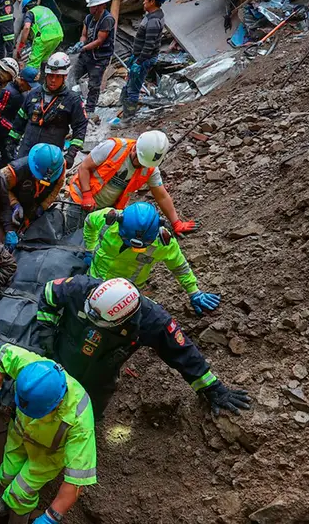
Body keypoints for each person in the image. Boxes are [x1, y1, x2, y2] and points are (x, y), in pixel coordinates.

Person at [35, 275, 251, 420]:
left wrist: (213, 388)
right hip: (61, 350)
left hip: (101, 371)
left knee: (89, 407)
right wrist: (45, 337)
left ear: (124, 319)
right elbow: (49, 293)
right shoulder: (81, 288)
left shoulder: (153, 322)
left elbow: (182, 352)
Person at [0, 343, 97, 523]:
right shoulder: (31, 370)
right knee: (5, 476)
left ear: (57, 404)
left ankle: (19, 511)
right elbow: (3, 355)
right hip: (19, 435)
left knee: (21, 492)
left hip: (46, 455)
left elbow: (76, 481)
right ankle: (7, 495)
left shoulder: (79, 418)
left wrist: (51, 517)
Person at [84, 201, 220, 314]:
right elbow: (89, 222)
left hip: (126, 294)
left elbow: (179, 267)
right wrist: (89, 249)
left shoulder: (163, 243)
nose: (134, 249)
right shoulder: (107, 219)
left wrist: (193, 291)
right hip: (93, 280)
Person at [67, 130, 199, 235]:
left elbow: (162, 196)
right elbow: (84, 167)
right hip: (80, 199)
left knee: (93, 242)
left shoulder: (150, 168)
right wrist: (87, 194)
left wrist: (176, 223)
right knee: (71, 236)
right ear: (135, 149)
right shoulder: (113, 147)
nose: (142, 166)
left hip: (106, 210)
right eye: (140, 162)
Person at [8, 52, 87, 166]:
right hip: (26, 153)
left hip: (49, 157)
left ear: (65, 76)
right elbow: (20, 121)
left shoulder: (72, 100)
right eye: (50, 75)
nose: (53, 80)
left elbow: (80, 127)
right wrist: (11, 144)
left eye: (57, 76)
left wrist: (71, 154)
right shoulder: (33, 94)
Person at [118, 0, 169, 124]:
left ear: (153, 1)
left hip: (145, 58)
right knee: (130, 84)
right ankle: (124, 109)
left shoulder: (154, 21)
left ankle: (127, 120)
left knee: (133, 89)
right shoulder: (152, 15)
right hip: (141, 56)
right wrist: (134, 56)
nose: (143, 2)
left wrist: (139, 62)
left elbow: (149, 45)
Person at [67, 0, 115, 118]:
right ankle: (69, 101)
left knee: (94, 85)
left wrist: (83, 48)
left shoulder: (107, 20)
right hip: (86, 55)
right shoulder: (89, 18)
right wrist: (80, 43)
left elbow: (99, 41)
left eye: (93, 6)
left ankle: (89, 110)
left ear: (101, 6)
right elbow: (84, 35)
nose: (90, 8)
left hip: (100, 57)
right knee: (73, 75)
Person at [1, 143, 66, 239]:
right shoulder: (15, 171)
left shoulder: (59, 170)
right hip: (12, 205)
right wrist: (14, 204)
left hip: (34, 205)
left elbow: (56, 189)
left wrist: (43, 206)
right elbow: (1, 189)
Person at [0, 66, 39, 167]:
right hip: (2, 132)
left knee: (7, 158)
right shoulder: (8, 92)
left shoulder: (23, 93)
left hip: (13, 132)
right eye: (28, 85)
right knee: (8, 158)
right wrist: (13, 129)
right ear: (21, 80)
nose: (29, 88)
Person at [17, 0, 63, 69]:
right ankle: (43, 74)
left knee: (33, 63)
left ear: (27, 8)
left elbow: (26, 27)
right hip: (58, 36)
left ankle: (30, 74)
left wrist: (21, 45)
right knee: (44, 59)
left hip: (44, 38)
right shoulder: (45, 9)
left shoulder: (30, 12)